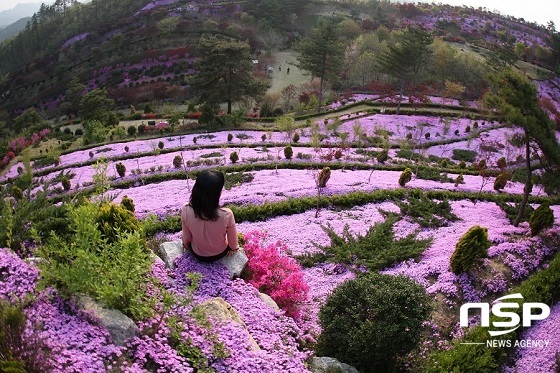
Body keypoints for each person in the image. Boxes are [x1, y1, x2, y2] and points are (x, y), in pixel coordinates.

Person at [181, 170, 239, 262]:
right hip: (220, 253)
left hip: (197, 254)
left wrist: (185, 245)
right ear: (218, 193)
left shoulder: (186, 209)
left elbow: (186, 239)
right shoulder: (226, 214)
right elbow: (233, 245)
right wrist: (234, 249)